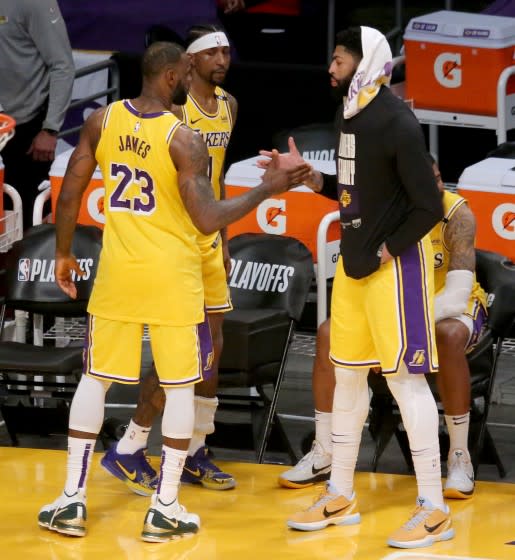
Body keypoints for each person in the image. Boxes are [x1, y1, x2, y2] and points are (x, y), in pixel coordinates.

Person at [37, 41, 310, 542]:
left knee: (95, 381)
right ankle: (165, 507)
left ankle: (71, 501)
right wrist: (266, 191)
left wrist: (62, 252)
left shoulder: (102, 121)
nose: (191, 78)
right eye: (185, 72)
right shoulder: (184, 140)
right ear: (169, 77)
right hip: (172, 278)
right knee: (181, 386)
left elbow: (71, 189)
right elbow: (207, 219)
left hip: (118, 274)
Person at [259, 26, 453, 549]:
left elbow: (429, 205)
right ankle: (340, 492)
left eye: (339, 60)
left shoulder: (396, 121)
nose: (331, 68)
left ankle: (433, 507)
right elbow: (356, 196)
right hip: (353, 268)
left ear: (366, 61)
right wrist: (309, 179)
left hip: (394, 270)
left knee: (405, 382)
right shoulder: (349, 113)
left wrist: (388, 248)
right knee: (347, 378)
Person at [279, 158, 487, 501]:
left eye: (437, 179)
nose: (436, 188)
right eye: (426, 180)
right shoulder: (384, 211)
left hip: (448, 308)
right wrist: (312, 177)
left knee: (448, 336)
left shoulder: (457, 215)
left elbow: (456, 296)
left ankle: (459, 456)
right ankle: (324, 450)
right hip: (394, 304)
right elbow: (344, 193)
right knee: (329, 333)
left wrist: (396, 329)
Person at [101, 24, 239, 494]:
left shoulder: (229, 107)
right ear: (187, 65)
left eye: (226, 52)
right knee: (184, 352)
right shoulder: (171, 115)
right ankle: (135, 441)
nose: (222, 60)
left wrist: (225, 235)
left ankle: (197, 447)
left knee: (212, 348)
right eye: (212, 53)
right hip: (172, 240)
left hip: (208, 236)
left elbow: (214, 182)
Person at [0, 0, 74, 229]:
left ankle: (24, 264)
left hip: (27, 128)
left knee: (28, 219)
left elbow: (62, 65)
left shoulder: (35, 2)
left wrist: (50, 128)